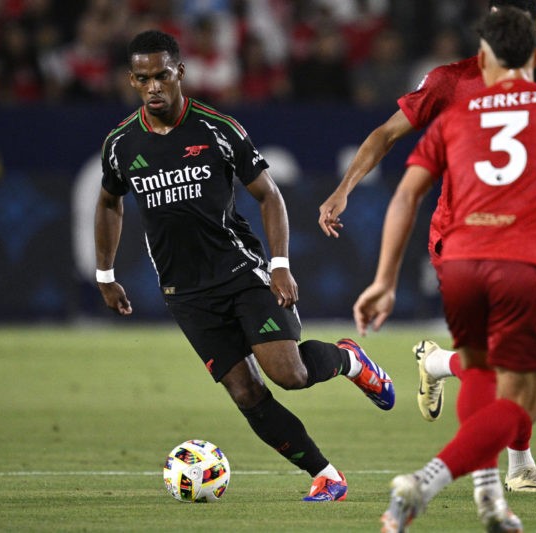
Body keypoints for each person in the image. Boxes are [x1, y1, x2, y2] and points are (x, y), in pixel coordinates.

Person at [320, 0, 536, 494]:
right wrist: (345, 188)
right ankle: (509, 468)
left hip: (523, 243)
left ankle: (439, 366)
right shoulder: (452, 83)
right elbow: (386, 136)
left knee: (507, 363)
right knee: (510, 364)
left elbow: (532, 181)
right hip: (461, 240)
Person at [93, 30, 395, 503]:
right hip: (185, 292)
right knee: (245, 393)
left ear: (180, 74)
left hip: (241, 273)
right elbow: (109, 202)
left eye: (162, 75)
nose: (154, 86)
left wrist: (278, 264)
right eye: (143, 78)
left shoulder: (218, 128)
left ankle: (349, 360)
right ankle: (326, 476)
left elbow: (268, 195)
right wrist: (105, 274)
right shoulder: (120, 143)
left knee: (289, 375)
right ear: (132, 80)